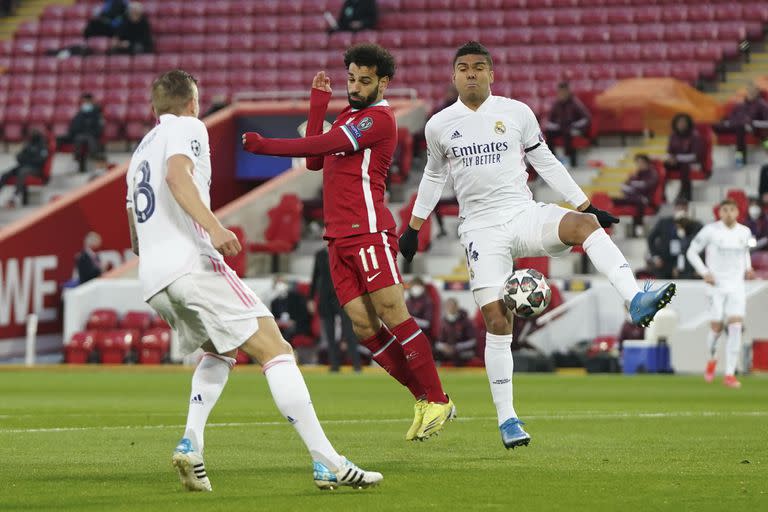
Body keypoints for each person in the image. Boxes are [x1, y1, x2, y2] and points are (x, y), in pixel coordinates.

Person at [399, 41, 675, 450]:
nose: (471, 73)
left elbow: (545, 161)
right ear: (453, 76)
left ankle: (635, 298)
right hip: (480, 228)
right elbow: (434, 177)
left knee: (583, 225)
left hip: (522, 212)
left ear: (491, 74)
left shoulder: (516, 112)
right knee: (497, 321)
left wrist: (586, 204)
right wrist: (413, 226)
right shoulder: (440, 125)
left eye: (479, 67)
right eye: (463, 67)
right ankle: (508, 419)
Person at [125, 70, 382, 492]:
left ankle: (192, 443)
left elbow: (135, 230)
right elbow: (177, 176)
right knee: (275, 349)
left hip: (154, 278)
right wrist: (215, 228)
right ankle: (328, 461)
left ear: (154, 109)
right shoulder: (191, 126)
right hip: (191, 264)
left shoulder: (138, 154)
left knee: (221, 351)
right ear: (193, 103)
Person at [243, 44, 455, 442]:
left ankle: (438, 397)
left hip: (368, 231)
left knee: (393, 312)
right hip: (337, 236)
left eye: (364, 80)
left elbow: (317, 146)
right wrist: (318, 104)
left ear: (383, 82)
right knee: (362, 327)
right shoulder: (348, 115)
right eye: (351, 79)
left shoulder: (378, 119)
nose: (355, 87)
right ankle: (425, 398)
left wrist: (264, 146)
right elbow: (315, 164)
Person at [686, 198, 756, 388]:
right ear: (719, 212)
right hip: (715, 285)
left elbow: (745, 252)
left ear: (737, 212)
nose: (728, 213)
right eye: (724, 210)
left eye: (732, 210)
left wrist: (748, 268)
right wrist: (704, 273)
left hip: (736, 286)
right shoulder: (710, 231)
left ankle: (730, 374)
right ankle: (711, 358)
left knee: (735, 327)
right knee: (716, 327)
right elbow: (691, 252)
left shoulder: (745, 231)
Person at [310, 247, 361, 372]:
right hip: (325, 298)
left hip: (342, 295)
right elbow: (315, 276)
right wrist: (310, 298)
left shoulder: (342, 250)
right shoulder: (320, 254)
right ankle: (334, 365)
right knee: (329, 333)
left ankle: (356, 364)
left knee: (349, 331)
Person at [647, 197, 703, 279]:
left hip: (685, 262)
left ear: (687, 210)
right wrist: (656, 257)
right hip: (665, 261)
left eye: (684, 209)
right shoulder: (664, 223)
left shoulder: (695, 225)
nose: (681, 211)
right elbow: (650, 238)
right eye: (679, 208)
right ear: (675, 209)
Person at [713, 84, 768, 165]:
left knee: (740, 128)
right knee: (713, 125)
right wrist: (725, 121)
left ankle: (740, 160)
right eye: (749, 91)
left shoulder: (762, 105)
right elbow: (729, 117)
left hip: (750, 128)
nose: (750, 93)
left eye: (753, 91)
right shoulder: (740, 105)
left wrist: (752, 123)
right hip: (733, 125)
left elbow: (766, 123)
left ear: (758, 93)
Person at [542, 81, 591, 167]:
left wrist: (574, 125)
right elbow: (550, 120)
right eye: (559, 92)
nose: (561, 94)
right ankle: (552, 159)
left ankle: (569, 160)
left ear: (568, 92)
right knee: (548, 133)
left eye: (563, 92)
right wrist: (552, 125)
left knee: (568, 132)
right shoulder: (557, 104)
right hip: (561, 128)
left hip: (574, 128)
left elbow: (586, 119)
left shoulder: (575, 103)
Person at [57, 93, 105, 174]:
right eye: (84, 102)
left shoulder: (97, 113)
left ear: (92, 101)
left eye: (87, 102)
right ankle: (77, 161)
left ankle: (94, 160)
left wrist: (92, 132)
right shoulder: (80, 113)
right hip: (80, 134)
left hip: (92, 135)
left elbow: (99, 127)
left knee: (90, 141)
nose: (86, 104)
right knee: (78, 139)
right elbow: (74, 125)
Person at [0, 129, 49, 207]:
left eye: (34, 133)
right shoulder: (29, 144)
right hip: (24, 166)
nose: (32, 135)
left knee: (22, 172)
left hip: (36, 169)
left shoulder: (43, 145)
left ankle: (14, 198)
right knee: (5, 174)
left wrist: (27, 159)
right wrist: (27, 158)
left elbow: (40, 160)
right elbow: (19, 157)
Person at [612, 153, 659, 229]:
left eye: (641, 162)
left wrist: (634, 185)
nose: (639, 165)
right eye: (637, 163)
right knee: (613, 200)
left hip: (645, 198)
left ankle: (639, 226)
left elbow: (647, 185)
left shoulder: (652, 173)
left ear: (646, 163)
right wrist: (627, 186)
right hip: (632, 197)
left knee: (639, 202)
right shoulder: (636, 174)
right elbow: (627, 185)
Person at [665, 113, 704, 201]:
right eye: (679, 122)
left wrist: (677, 158)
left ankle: (685, 193)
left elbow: (695, 156)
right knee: (662, 165)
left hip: (692, 163)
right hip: (676, 162)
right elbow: (669, 152)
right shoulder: (673, 136)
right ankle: (661, 194)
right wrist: (670, 158)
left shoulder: (695, 136)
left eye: (683, 122)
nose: (681, 124)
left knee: (684, 165)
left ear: (688, 124)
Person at [434, 298, 476, 366]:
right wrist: (444, 347)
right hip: (447, 350)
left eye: (452, 306)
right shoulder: (443, 322)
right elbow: (438, 341)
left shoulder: (466, 321)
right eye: (448, 306)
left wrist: (456, 347)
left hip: (462, 350)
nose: (450, 308)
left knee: (459, 356)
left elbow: (472, 341)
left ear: (456, 307)